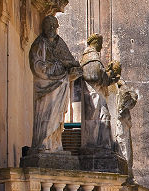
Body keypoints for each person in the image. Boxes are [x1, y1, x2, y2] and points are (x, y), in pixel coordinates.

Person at [29, 15, 81, 152]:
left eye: (54, 25)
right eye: (49, 25)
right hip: (46, 87)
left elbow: (70, 60)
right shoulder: (39, 44)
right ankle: (43, 142)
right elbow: (37, 66)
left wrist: (72, 69)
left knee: (58, 116)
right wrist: (57, 65)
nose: (52, 28)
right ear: (44, 27)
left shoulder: (60, 43)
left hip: (61, 85)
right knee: (47, 114)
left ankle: (56, 144)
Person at [79, 33, 116, 149]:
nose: (102, 46)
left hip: (98, 93)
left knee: (105, 115)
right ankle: (96, 145)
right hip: (93, 94)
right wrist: (108, 76)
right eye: (101, 43)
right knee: (95, 119)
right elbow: (94, 76)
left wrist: (108, 75)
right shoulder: (91, 57)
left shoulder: (92, 56)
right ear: (96, 43)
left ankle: (103, 145)